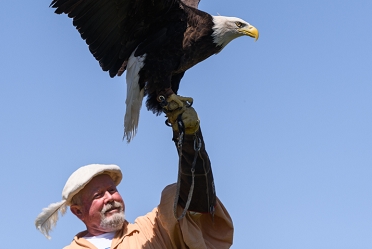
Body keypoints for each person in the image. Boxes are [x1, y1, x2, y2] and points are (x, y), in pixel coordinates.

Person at [35, 104, 234, 248]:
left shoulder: (154, 229)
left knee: (173, 193)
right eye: (98, 195)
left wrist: (190, 139)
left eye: (112, 190)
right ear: (78, 212)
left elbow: (194, 197)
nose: (110, 198)